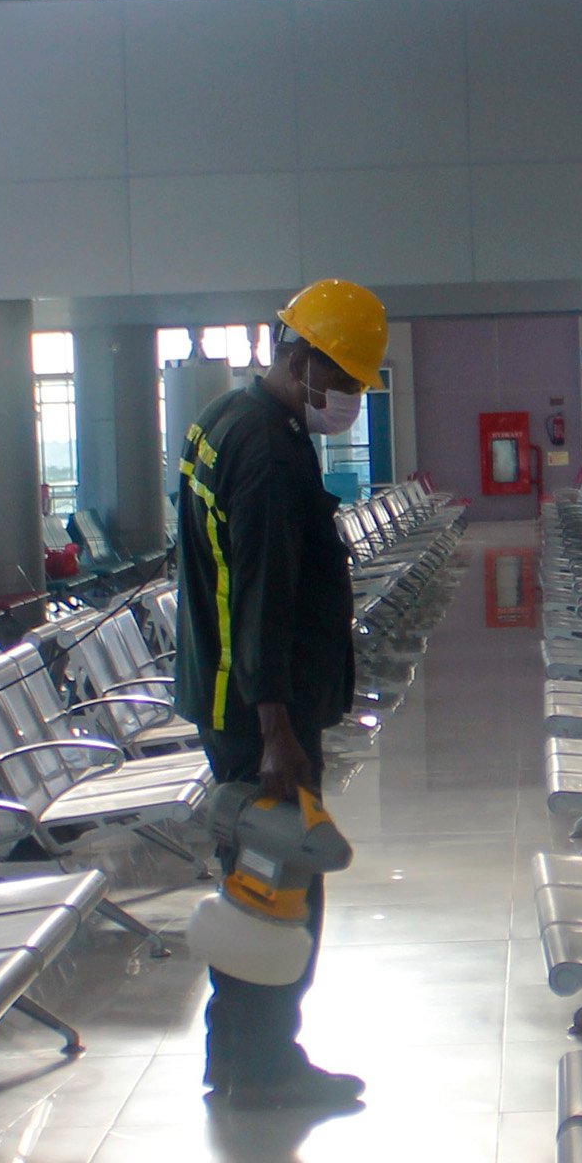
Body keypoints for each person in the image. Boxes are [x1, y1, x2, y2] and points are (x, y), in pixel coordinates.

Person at [173, 276, 385, 1111]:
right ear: (301, 361)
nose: (351, 396)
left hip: (235, 698)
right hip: (261, 713)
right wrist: (276, 731)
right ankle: (264, 1064)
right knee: (281, 882)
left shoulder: (226, 419)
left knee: (254, 882)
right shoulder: (265, 451)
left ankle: (236, 1053)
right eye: (345, 377)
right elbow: (257, 594)